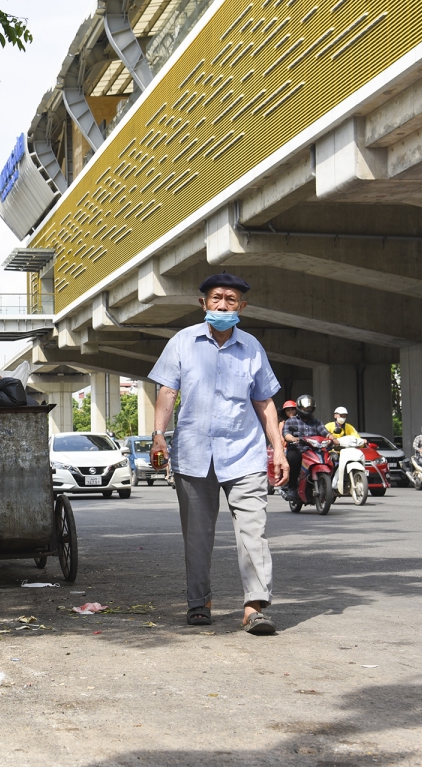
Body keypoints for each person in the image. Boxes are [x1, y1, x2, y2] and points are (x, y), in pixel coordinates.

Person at [149, 272, 287, 635]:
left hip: (244, 453)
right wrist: (158, 435)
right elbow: (167, 392)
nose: (223, 304)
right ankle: (199, 602)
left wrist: (279, 449)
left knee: (253, 533)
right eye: (216, 298)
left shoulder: (252, 347)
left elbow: (265, 403)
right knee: (197, 535)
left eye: (230, 299)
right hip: (194, 453)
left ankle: (254, 607)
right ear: (203, 303)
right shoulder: (182, 342)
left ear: (242, 306)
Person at [282, 395, 330, 501]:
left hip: (314, 448)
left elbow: (325, 432)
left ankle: (329, 484)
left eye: (309, 408)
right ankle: (292, 487)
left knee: (331, 457)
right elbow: (286, 434)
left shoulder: (316, 422)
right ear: (299, 408)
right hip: (297, 448)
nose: (307, 410)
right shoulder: (291, 421)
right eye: (304, 408)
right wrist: (293, 438)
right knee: (294, 458)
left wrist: (333, 438)